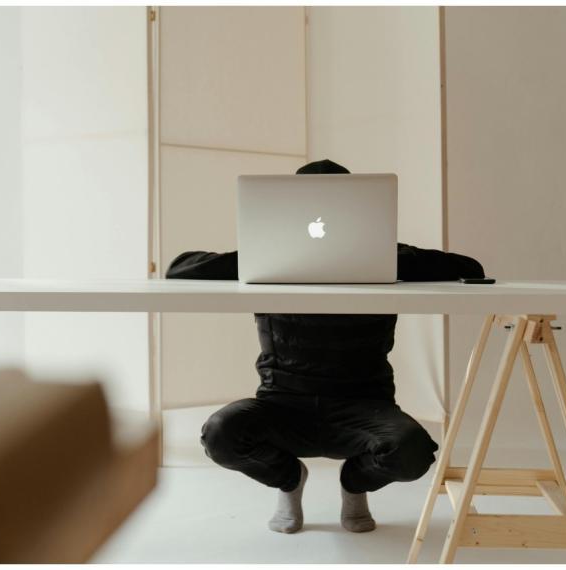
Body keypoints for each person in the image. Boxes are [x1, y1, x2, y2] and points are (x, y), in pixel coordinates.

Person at [165, 159, 486, 534]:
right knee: (220, 434)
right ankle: (289, 480)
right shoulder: (268, 257)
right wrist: (259, 252)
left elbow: (471, 267)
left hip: (364, 405)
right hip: (282, 403)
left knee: (413, 451)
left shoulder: (385, 257)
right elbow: (179, 268)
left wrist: (385, 254)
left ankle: (354, 484)